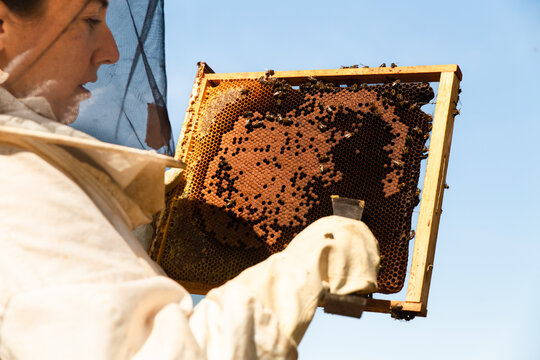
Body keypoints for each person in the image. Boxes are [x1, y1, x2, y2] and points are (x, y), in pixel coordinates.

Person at [0, 1, 380, 359]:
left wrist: (133, 234)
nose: (112, 51)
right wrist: (305, 268)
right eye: (91, 20)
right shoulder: (20, 182)